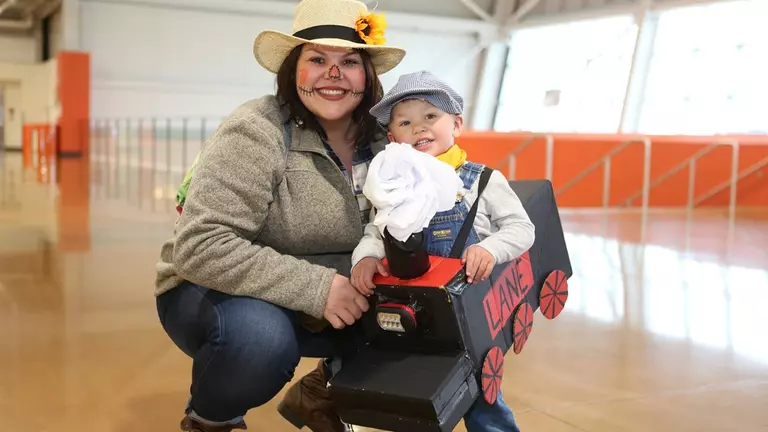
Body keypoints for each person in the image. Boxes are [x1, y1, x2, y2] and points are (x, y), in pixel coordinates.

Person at [153, 0, 406, 431]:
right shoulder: (257, 130)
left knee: (425, 314)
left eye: (349, 61)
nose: (333, 73)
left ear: (368, 75)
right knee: (259, 340)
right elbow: (202, 246)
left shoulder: (388, 140)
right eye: (317, 59)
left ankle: (323, 389)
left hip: (339, 294)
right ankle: (211, 420)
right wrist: (318, 286)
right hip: (220, 289)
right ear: (293, 71)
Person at [350, 70, 536, 432]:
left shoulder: (483, 180)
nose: (419, 128)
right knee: (416, 390)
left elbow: (521, 229)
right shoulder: (393, 189)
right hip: (417, 309)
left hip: (470, 311)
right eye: (406, 122)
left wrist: (490, 249)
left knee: (483, 393)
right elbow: (376, 229)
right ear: (393, 138)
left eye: (430, 117)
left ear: (457, 124)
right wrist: (367, 257)